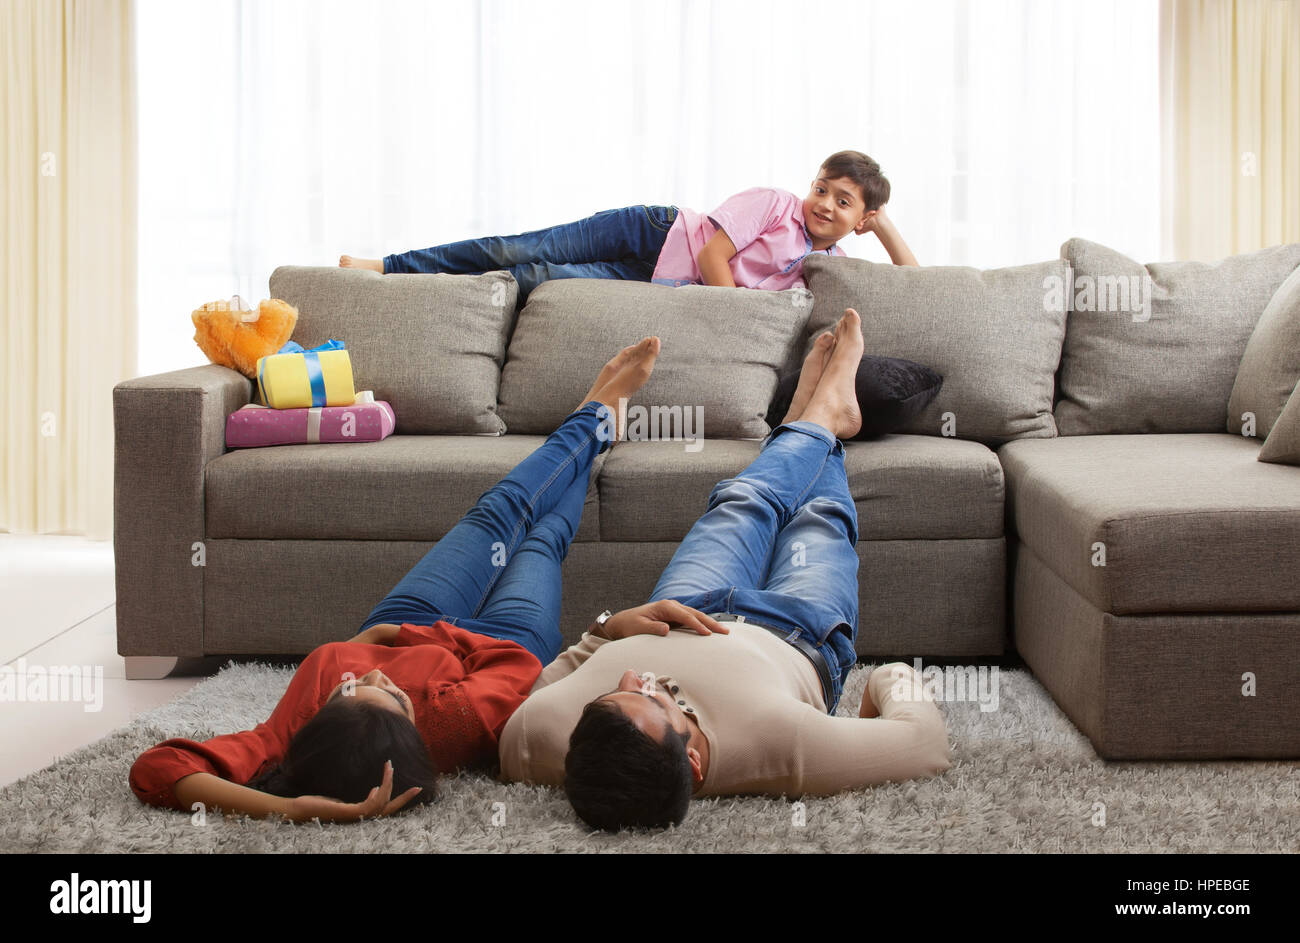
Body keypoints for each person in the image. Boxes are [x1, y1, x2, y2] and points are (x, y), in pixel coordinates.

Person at [128, 337, 713, 824]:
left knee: (500, 511)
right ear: (414, 724)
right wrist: (430, 644)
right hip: (505, 637)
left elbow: (156, 769)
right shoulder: (457, 724)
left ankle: (591, 417)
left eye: (355, 688)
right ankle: (597, 420)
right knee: (545, 537)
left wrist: (293, 808)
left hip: (407, 616)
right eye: (397, 696)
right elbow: (516, 670)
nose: (375, 675)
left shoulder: (286, 736)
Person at [498, 308, 953, 831]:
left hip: (686, 605)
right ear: (692, 763)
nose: (636, 677)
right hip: (799, 629)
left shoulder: (534, 741)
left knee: (742, 500)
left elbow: (553, 678)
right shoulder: (787, 749)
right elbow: (925, 744)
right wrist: (887, 681)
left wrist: (606, 629)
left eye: (613, 693)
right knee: (819, 517)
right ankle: (819, 418)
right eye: (655, 700)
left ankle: (817, 418)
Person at [339, 150, 918, 303]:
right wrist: (743, 311)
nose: (823, 203)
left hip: (654, 279)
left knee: (535, 276)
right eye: (821, 187)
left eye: (843, 203)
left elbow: (916, 285)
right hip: (654, 234)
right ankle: (390, 266)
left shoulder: (825, 266)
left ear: (858, 219)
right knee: (518, 246)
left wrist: (886, 226)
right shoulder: (774, 203)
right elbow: (715, 255)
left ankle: (426, 287)